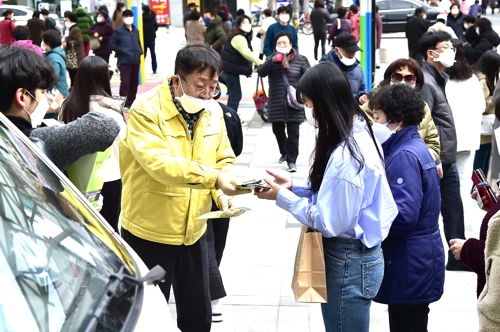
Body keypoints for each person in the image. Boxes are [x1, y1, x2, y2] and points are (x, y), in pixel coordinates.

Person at [255, 61, 398, 332]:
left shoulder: (349, 155)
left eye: (309, 104)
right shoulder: (356, 131)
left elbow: (330, 220)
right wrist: (295, 187)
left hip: (348, 261)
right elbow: (335, 194)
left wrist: (281, 197)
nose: (309, 112)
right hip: (352, 258)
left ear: (325, 102)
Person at [119, 43, 249, 332]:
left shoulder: (212, 110)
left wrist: (222, 194)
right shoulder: (145, 109)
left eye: (213, 87)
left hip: (194, 230)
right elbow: (159, 164)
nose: (206, 94)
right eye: (200, 86)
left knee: (198, 317)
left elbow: (223, 157)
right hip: (149, 230)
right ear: (177, 80)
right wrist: (214, 180)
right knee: (147, 316)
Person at [369, 84, 445, 332]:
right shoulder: (411, 148)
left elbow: (403, 214)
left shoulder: (404, 155)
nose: (375, 123)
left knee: (407, 324)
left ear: (397, 120)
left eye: (378, 117)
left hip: (410, 261)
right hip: (417, 256)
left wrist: (367, 229)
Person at [0, 46, 120, 172]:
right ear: (22, 96)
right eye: (42, 91)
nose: (45, 98)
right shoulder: (34, 141)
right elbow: (106, 126)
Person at [419, 31, 470, 271]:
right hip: (437, 161)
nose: (452, 51)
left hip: (444, 159)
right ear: (432, 53)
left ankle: (458, 257)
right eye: (446, 47)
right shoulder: (427, 83)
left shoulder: (438, 78)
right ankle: (446, 258)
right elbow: (422, 124)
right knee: (437, 210)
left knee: (453, 209)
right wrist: (434, 157)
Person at [60, 56, 126, 231]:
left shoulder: (68, 105)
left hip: (76, 177)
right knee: (109, 229)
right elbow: (123, 144)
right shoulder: (111, 108)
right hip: (109, 176)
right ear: (104, 77)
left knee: (83, 227)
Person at [207, 87, 243, 323]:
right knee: (215, 243)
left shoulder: (221, 115)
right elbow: (236, 149)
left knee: (207, 244)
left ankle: (210, 294)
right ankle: (211, 294)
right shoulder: (229, 113)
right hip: (220, 187)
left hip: (215, 187)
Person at [361, 58, 441, 163]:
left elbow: (433, 145)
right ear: (389, 79)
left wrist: (416, 159)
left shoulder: (422, 107)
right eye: (397, 77)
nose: (402, 82)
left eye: (409, 78)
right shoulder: (373, 104)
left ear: (416, 82)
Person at [258, 31, 310, 172]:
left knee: (294, 133)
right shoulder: (271, 59)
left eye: (284, 43)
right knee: (278, 130)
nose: (282, 45)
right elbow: (261, 72)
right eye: (279, 43)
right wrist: (271, 61)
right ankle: (284, 152)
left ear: (290, 44)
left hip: (294, 103)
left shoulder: (300, 59)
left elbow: (309, 76)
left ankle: (291, 161)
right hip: (276, 102)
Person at [445, 38, 485, 203]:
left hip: (447, 140)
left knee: (444, 180)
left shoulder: (442, 80)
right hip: (468, 138)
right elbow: (481, 106)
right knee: (463, 179)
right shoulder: (473, 79)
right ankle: (460, 216)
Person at [221, 15, 262, 112]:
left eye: (248, 23)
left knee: (235, 95)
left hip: (230, 70)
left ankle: (230, 118)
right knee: (235, 96)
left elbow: (246, 53)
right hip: (229, 71)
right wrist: (260, 63)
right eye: (244, 23)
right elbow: (246, 52)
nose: (247, 25)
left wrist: (253, 61)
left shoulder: (241, 36)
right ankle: (230, 119)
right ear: (239, 25)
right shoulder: (238, 37)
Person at [472, 51, 500, 178]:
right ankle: (477, 186)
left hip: (486, 126)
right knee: (481, 157)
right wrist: (494, 98)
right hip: (484, 126)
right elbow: (484, 103)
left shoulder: (480, 76)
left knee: (485, 156)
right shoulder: (482, 80)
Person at [109, 9, 143, 108]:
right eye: (126, 16)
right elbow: (111, 44)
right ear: (123, 18)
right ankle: (124, 103)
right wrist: (122, 50)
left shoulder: (136, 30)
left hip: (136, 60)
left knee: (134, 83)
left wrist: (140, 51)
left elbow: (139, 43)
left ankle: (132, 102)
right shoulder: (118, 31)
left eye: (130, 16)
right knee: (125, 83)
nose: (129, 18)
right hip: (125, 61)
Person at [320, 33, 366, 103]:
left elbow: (361, 89)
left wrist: (361, 97)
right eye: (348, 52)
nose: (352, 55)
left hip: (352, 112)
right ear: (337, 50)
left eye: (354, 52)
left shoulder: (358, 68)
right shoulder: (323, 69)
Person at [42, 29, 69, 119]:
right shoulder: (57, 54)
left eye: (43, 41)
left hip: (56, 94)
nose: (42, 43)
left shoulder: (53, 57)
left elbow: (52, 78)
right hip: (60, 91)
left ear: (48, 43)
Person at [62, 13, 85, 87]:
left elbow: (78, 41)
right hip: (71, 56)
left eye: (67, 19)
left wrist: (68, 43)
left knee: (74, 74)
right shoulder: (69, 29)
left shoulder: (75, 29)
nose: (66, 21)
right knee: (72, 74)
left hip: (75, 56)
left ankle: (74, 88)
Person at [142, 5, 158, 74]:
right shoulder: (152, 17)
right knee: (153, 54)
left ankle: (141, 69)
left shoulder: (141, 17)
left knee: (143, 55)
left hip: (144, 39)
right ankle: (154, 69)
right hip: (152, 39)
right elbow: (156, 27)